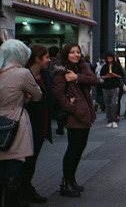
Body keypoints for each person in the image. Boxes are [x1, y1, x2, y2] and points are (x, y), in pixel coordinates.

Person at [52, 43, 97, 198]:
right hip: (75, 116)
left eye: (78, 52)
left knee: (80, 148)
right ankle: (66, 183)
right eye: (72, 53)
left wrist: (77, 77)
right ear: (66, 54)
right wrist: (73, 109)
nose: (76, 55)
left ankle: (72, 179)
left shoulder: (82, 67)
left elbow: (94, 80)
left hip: (85, 114)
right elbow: (58, 93)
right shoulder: (61, 71)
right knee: (73, 149)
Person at [0, 40, 42, 206]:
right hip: (14, 123)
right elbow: (37, 95)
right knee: (14, 166)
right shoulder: (22, 73)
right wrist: (25, 98)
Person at [22, 45, 55, 204]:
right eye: (47, 57)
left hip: (43, 124)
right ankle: (22, 191)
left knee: (32, 161)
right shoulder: (24, 75)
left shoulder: (45, 75)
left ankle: (27, 188)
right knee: (25, 162)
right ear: (37, 58)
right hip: (27, 126)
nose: (49, 60)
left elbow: (50, 95)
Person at [99, 52, 123, 128]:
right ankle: (109, 119)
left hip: (115, 86)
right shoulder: (104, 67)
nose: (109, 60)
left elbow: (121, 76)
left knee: (114, 103)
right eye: (108, 58)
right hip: (106, 87)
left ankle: (114, 119)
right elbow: (101, 76)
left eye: (111, 58)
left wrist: (114, 75)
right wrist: (106, 76)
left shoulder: (117, 66)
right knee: (107, 103)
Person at [49, 46, 66, 136]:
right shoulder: (59, 63)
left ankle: (47, 129)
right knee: (60, 108)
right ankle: (60, 129)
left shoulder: (47, 63)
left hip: (49, 88)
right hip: (59, 88)